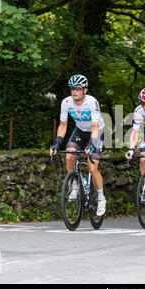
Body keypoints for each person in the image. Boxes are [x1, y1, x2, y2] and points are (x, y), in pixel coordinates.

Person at [50, 74, 106, 216]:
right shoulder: (66, 102)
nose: (74, 92)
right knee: (69, 156)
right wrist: (57, 143)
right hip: (80, 130)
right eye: (72, 89)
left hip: (96, 132)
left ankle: (101, 197)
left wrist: (92, 144)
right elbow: (63, 125)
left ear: (85, 90)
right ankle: (74, 186)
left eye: (78, 89)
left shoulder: (92, 102)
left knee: (92, 168)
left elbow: (95, 126)